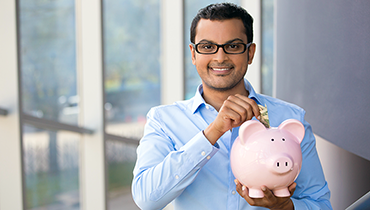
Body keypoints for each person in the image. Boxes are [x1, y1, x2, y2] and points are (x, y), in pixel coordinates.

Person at [132, 3, 332, 210]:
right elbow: (147, 199)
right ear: (193, 54)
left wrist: (284, 207)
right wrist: (213, 131)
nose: (220, 57)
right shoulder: (164, 120)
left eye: (233, 46)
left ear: (250, 53)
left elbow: (321, 205)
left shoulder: (290, 118)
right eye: (208, 47)